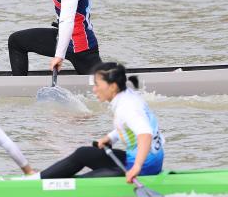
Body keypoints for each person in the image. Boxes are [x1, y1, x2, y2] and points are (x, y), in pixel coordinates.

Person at [23, 62, 164, 183]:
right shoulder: (128, 97)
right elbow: (130, 125)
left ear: (113, 86)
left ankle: (37, 183)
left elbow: (145, 134)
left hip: (144, 167)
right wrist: (110, 138)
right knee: (82, 153)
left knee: (81, 182)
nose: (94, 89)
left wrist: (137, 167)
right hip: (145, 160)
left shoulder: (126, 107)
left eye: (97, 85)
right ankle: (38, 178)